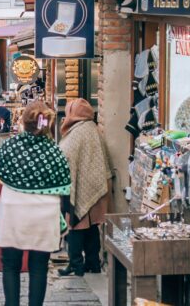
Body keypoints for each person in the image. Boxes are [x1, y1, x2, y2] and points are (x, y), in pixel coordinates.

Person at [0, 100, 72, 306]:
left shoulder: (11, 146)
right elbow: (65, 182)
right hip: (44, 214)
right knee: (38, 267)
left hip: (14, 210)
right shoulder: (54, 151)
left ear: (24, 123)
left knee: (10, 265)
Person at [57, 98, 112, 277]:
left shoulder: (78, 132)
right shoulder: (92, 128)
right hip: (96, 187)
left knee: (75, 226)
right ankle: (93, 263)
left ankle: (76, 264)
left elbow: (65, 155)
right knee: (91, 227)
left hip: (80, 189)